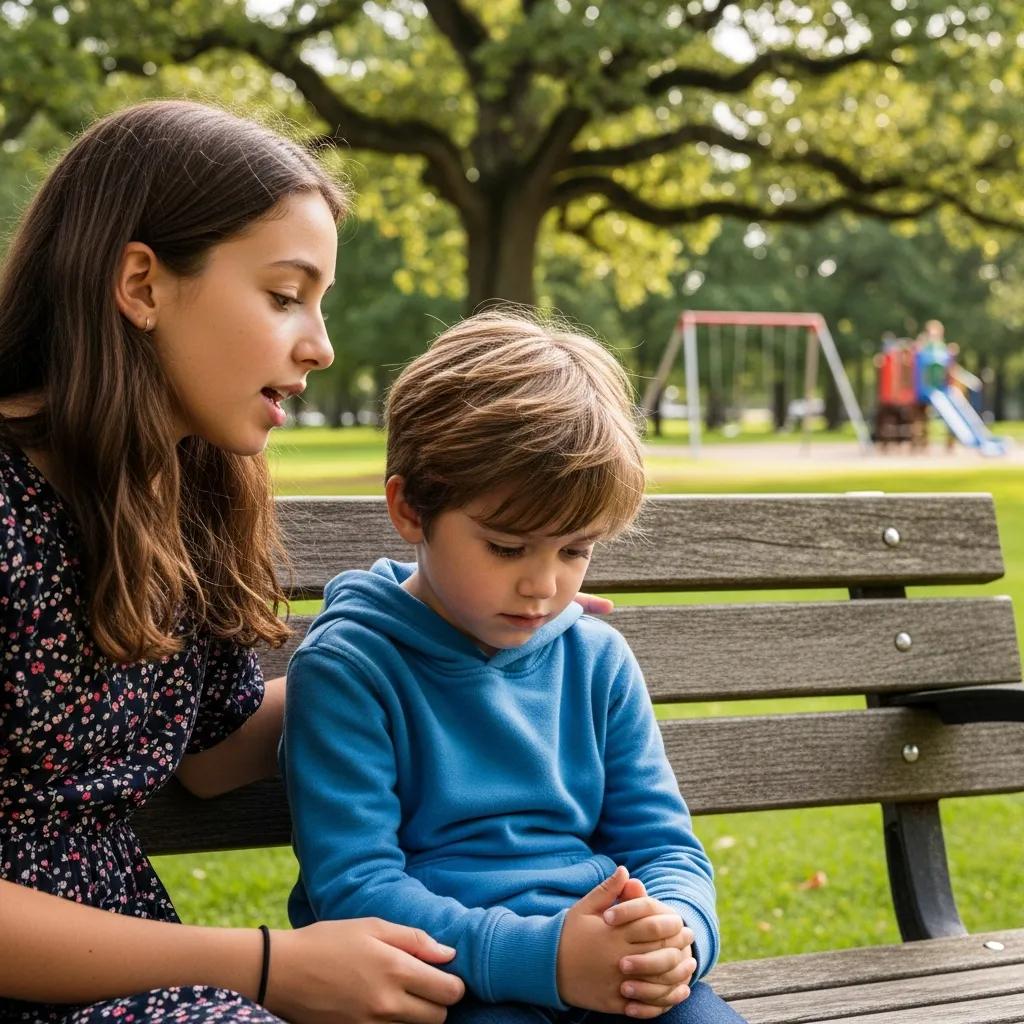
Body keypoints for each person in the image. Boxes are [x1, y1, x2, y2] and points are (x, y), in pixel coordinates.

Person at [0, 99, 472, 1024]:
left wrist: (454, 647)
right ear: (140, 284)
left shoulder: (177, 498)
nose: (321, 344)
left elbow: (210, 756)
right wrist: (262, 964)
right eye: (285, 295)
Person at [280, 312, 746, 1024]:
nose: (543, 586)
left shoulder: (593, 657)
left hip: (603, 967)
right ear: (410, 509)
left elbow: (664, 846)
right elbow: (357, 888)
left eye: (574, 551)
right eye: (506, 547)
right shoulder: (350, 667)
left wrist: (677, 936)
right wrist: (544, 959)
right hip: (447, 983)